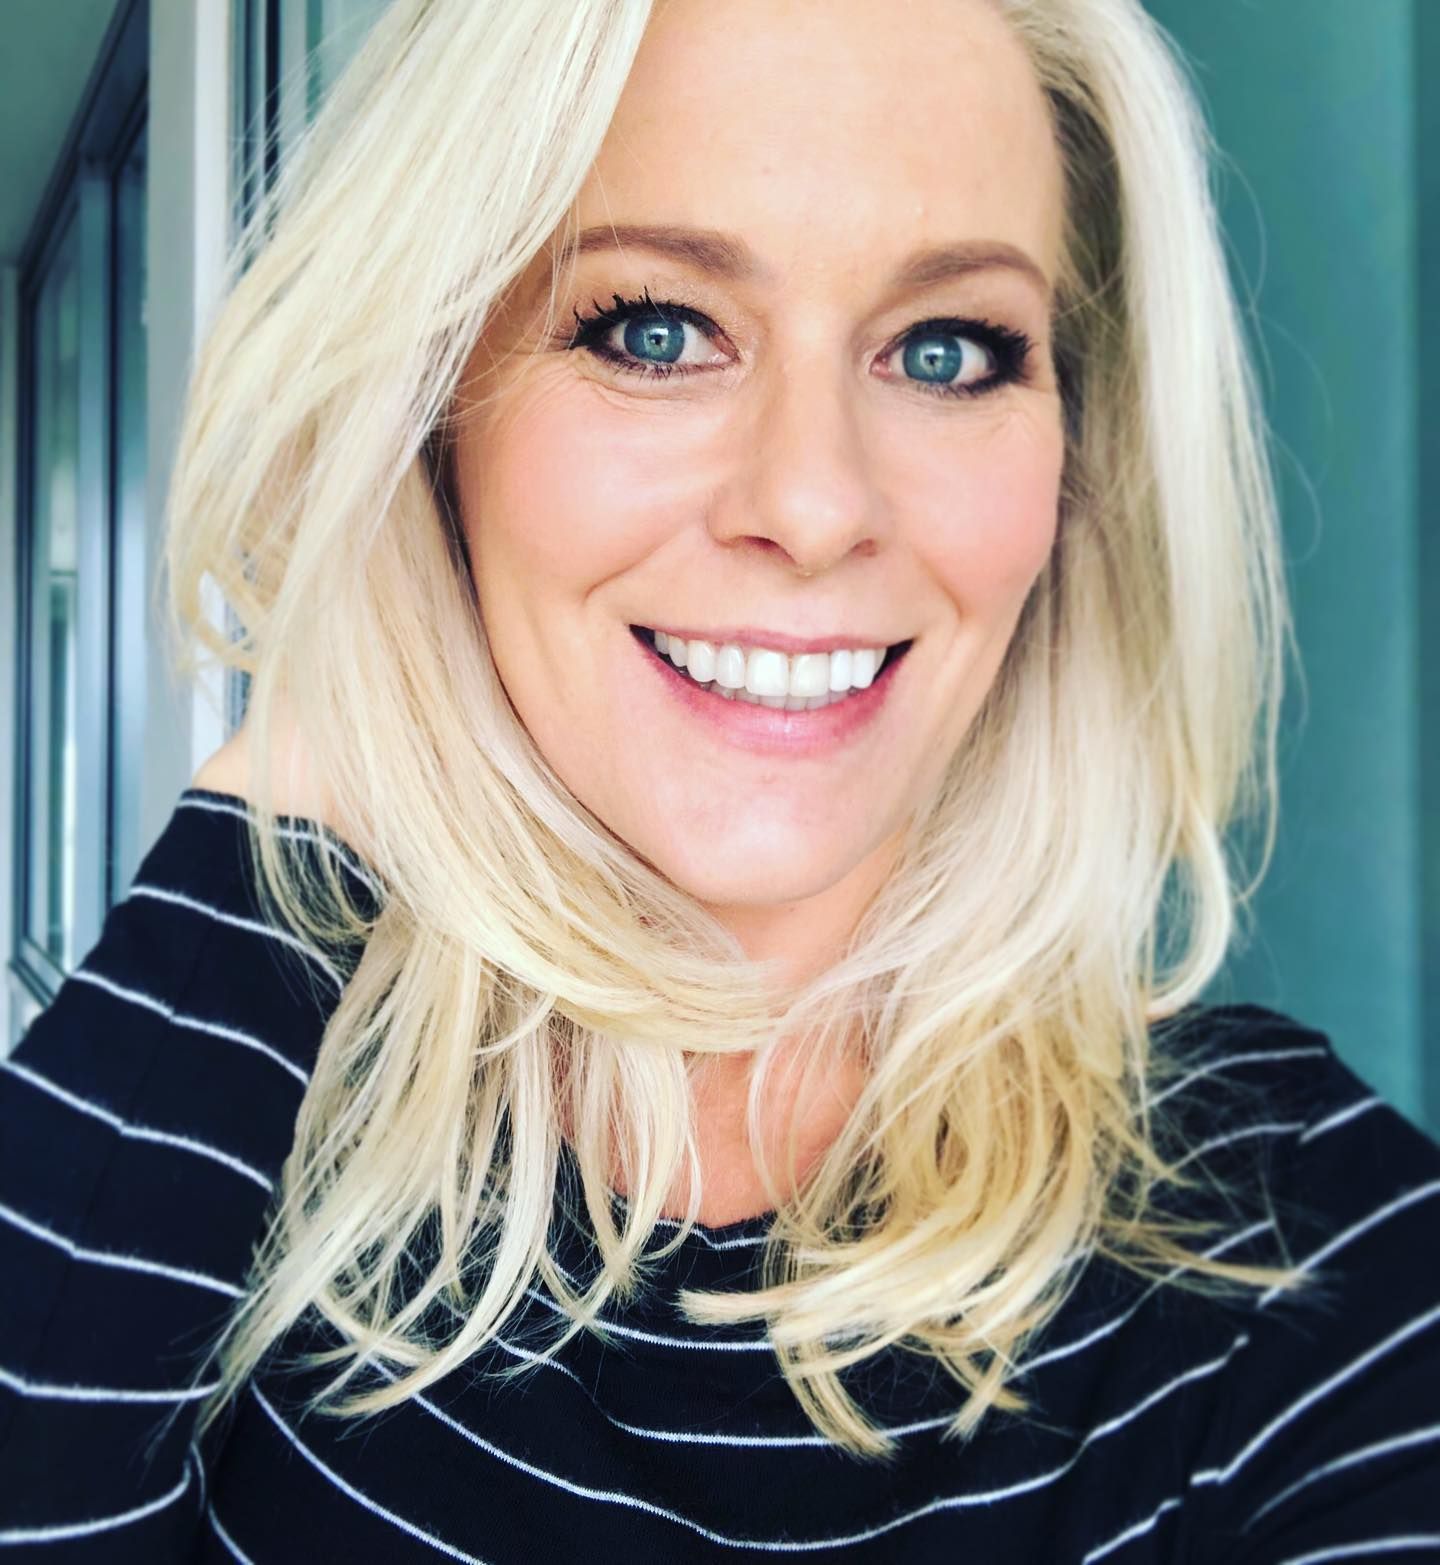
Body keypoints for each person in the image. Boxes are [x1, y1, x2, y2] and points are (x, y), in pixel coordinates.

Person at [2, 0, 1437, 1559]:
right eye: (656, 330)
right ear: (428, 406)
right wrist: (331, 716)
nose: (812, 504)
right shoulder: (212, 1168)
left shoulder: (1295, 1257)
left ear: (1075, 466)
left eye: (945, 352)